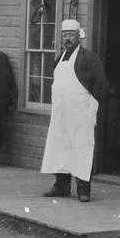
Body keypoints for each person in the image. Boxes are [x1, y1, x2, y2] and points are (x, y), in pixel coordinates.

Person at [40, 19, 107, 202]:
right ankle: (61, 187)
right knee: (60, 149)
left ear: (79, 36)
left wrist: (90, 108)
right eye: (64, 35)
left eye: (71, 35)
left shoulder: (90, 58)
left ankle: (83, 190)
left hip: (81, 115)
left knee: (81, 149)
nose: (67, 38)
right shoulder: (59, 58)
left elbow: (101, 86)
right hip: (62, 114)